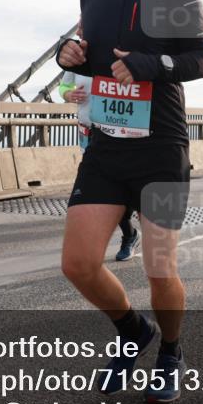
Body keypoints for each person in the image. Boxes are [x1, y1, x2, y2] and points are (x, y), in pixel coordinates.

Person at [56, 0, 203, 402]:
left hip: (161, 147)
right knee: (78, 264)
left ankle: (170, 350)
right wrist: (69, 56)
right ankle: (133, 331)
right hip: (106, 144)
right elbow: (86, 52)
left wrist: (150, 64)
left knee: (158, 267)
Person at [59, 58, 140, 262]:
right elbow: (64, 86)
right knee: (100, 191)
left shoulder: (115, 52)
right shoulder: (77, 55)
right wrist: (69, 94)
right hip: (87, 134)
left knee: (120, 190)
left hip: (118, 134)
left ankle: (129, 234)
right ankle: (128, 234)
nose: (79, 31)